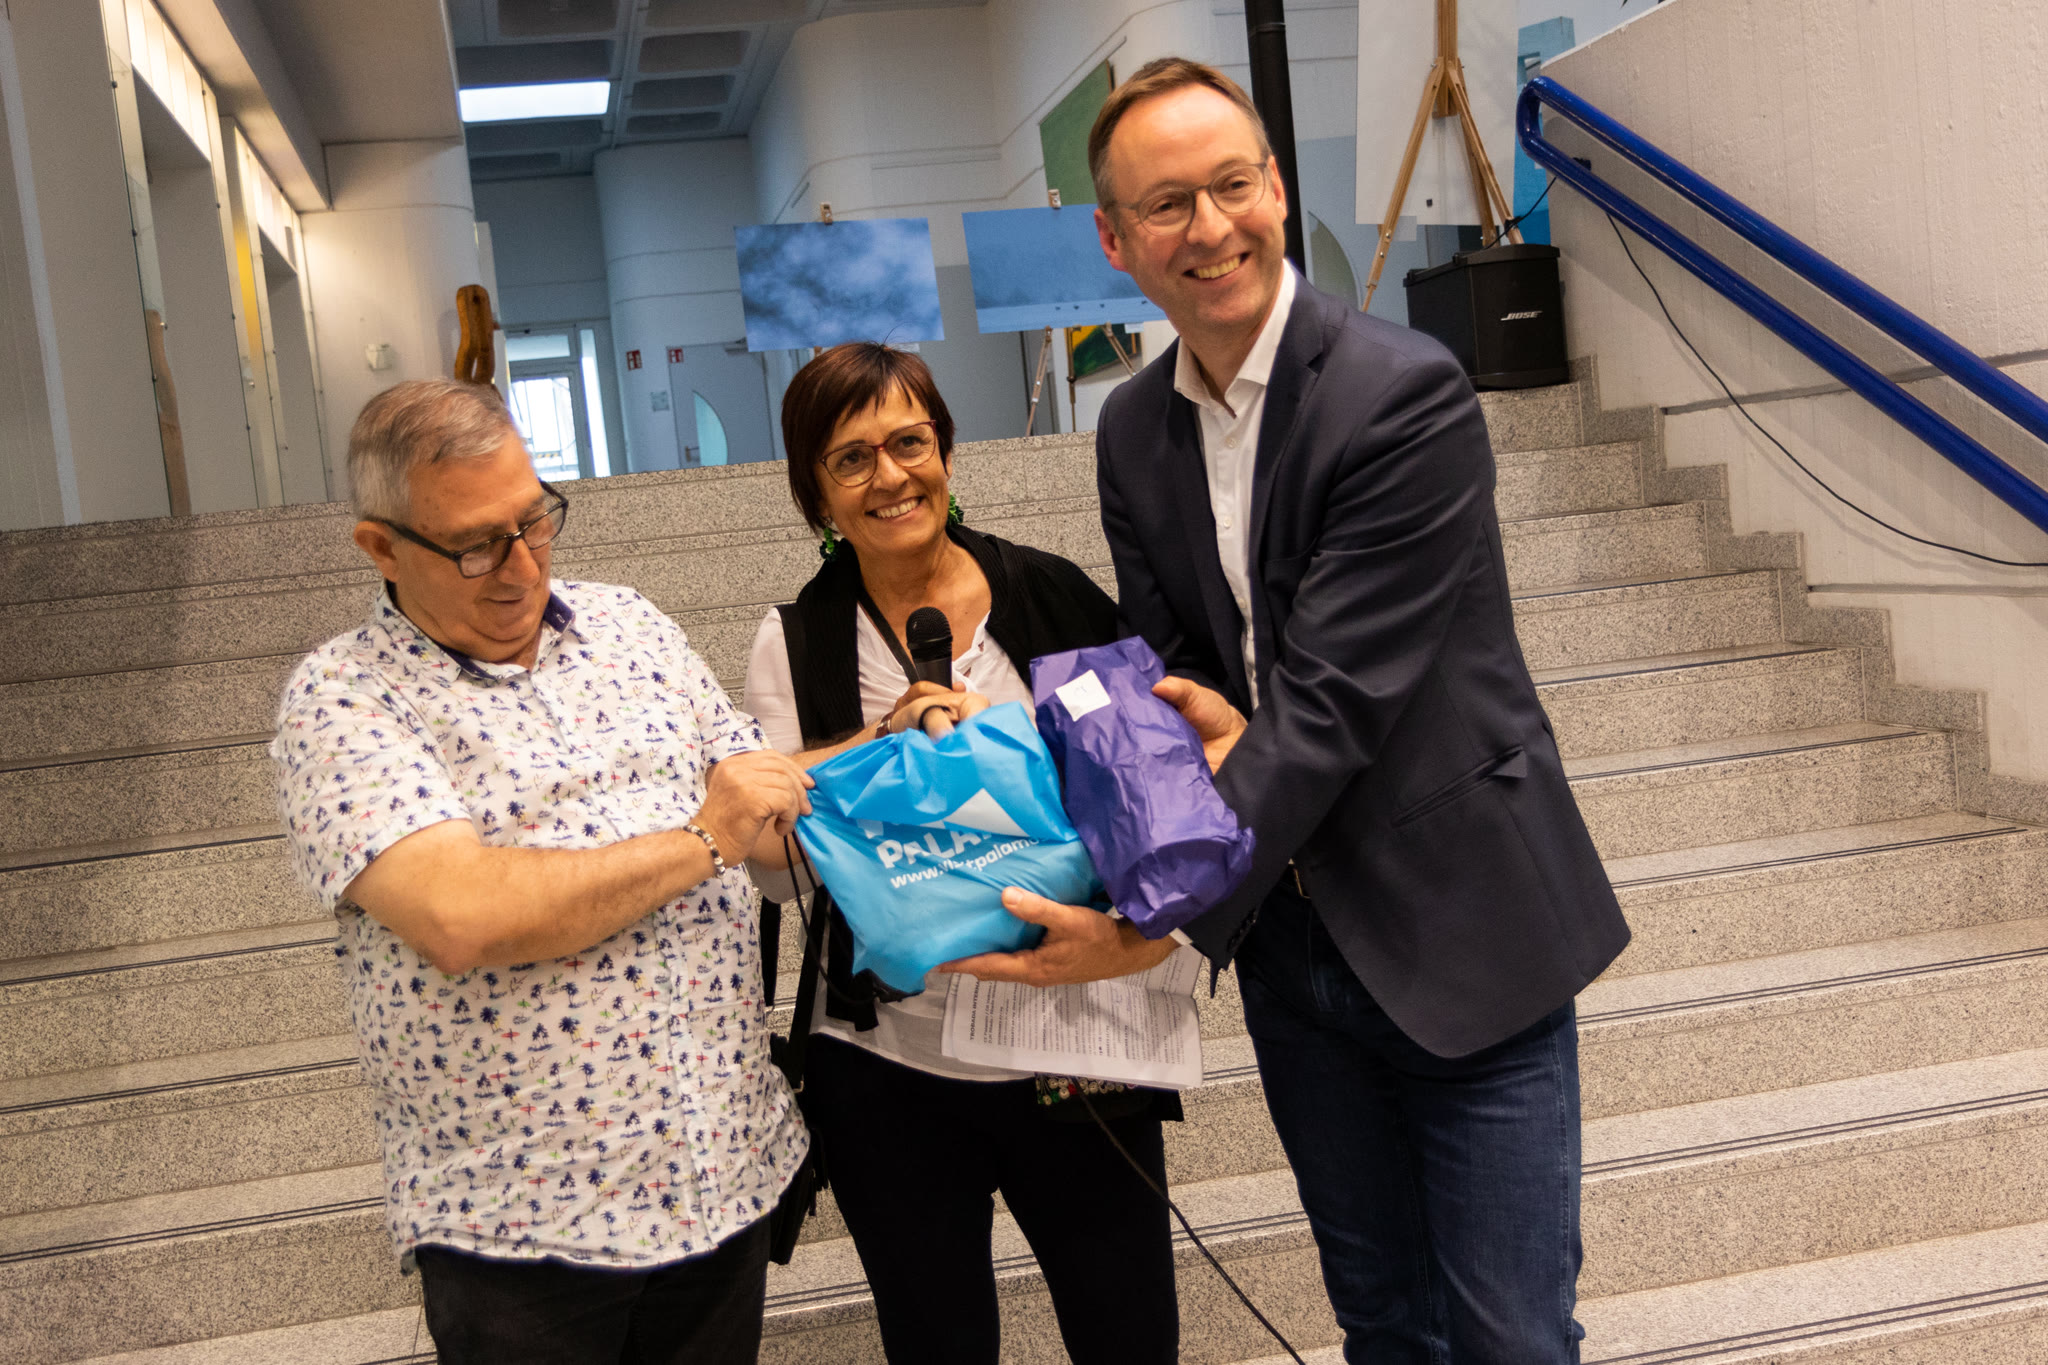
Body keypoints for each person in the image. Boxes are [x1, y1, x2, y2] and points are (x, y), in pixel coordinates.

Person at [940, 60, 1631, 1363]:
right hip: (1295, 950)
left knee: (1511, 1342)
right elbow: (1170, 668)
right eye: (1165, 204)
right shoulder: (1133, 429)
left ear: (1274, 187)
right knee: (1382, 1325)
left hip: (1461, 919)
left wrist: (1143, 918)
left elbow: (1324, 707)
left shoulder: (1401, 392)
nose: (1208, 228)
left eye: (1231, 185)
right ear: (1114, 241)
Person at [270, 378, 815, 1365]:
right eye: (476, 545)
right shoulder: (345, 698)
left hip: (720, 1179)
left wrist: (899, 751)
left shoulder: (628, 625)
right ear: (382, 547)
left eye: (533, 520)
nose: (521, 566)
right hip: (527, 1234)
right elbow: (461, 914)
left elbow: (762, 807)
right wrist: (702, 840)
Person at [741, 342, 1181, 1365]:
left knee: (1128, 1338)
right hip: (888, 1069)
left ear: (945, 450)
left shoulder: (1054, 597)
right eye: (851, 458)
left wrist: (1014, 759)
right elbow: (767, 864)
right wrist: (880, 747)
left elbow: (1151, 806)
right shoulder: (796, 642)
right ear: (815, 492)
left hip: (1072, 1046)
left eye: (909, 442)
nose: (889, 476)